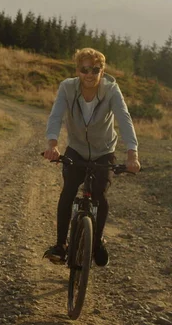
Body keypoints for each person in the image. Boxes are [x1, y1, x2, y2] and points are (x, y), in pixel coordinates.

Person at [43, 48, 141, 267]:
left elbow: (124, 120)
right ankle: (60, 245)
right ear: (77, 70)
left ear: (102, 71)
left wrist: (132, 154)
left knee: (100, 194)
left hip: (104, 150)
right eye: (84, 69)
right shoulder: (67, 88)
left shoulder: (111, 90)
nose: (89, 74)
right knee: (68, 190)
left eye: (95, 69)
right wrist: (52, 144)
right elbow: (56, 115)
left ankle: (96, 244)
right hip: (76, 149)